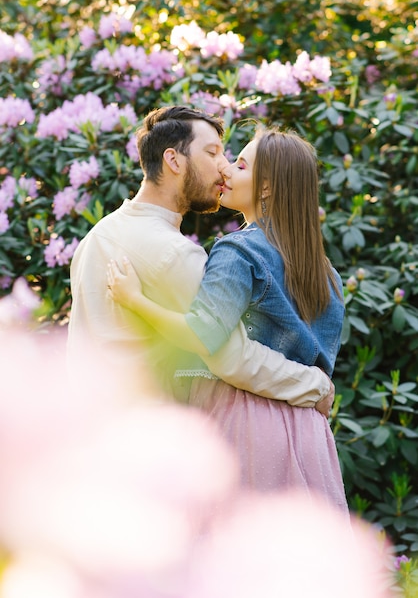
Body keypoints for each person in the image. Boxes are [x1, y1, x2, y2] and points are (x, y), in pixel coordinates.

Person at [107, 124, 348, 513]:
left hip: (246, 419)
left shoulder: (239, 250)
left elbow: (204, 335)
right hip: (309, 430)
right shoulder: (326, 274)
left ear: (266, 188)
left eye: (239, 164)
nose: (226, 171)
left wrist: (135, 301)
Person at [68, 105, 334, 415]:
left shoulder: (96, 237)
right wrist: (315, 386)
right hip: (152, 432)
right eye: (212, 153)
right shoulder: (173, 253)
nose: (224, 167)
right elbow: (232, 357)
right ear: (173, 160)